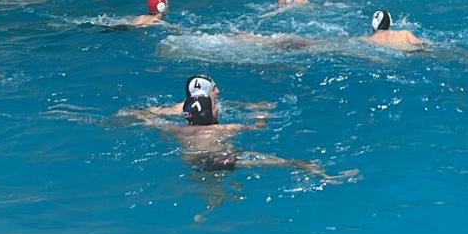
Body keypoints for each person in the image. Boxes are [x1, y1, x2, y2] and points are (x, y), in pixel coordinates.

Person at [121, 76, 349, 189]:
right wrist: (261, 114)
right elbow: (259, 126)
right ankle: (326, 177)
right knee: (290, 162)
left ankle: (214, 203)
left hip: (194, 163)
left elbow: (147, 120)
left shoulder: (176, 130)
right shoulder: (227, 128)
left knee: (212, 188)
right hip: (223, 158)